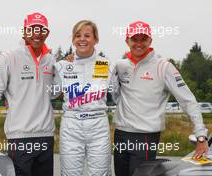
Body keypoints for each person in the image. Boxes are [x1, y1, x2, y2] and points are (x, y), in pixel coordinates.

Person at [111, 21, 209, 176]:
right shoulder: (120, 66)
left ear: (150, 40)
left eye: (143, 39)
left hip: (145, 137)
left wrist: (201, 136)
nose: (138, 43)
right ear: (127, 41)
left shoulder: (164, 67)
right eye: (134, 39)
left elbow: (188, 101)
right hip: (121, 135)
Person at [0, 12, 56, 176]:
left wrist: (70, 69)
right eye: (32, 29)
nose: (37, 34)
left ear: (47, 33)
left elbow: (56, 94)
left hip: (46, 136)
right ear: (24, 31)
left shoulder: (51, 60)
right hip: (19, 138)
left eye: (42, 29)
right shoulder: (7, 58)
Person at [52, 20, 112, 176]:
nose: (82, 39)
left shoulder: (106, 64)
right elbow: (51, 93)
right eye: (77, 35)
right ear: (73, 39)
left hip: (98, 125)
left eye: (87, 35)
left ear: (96, 39)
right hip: (71, 125)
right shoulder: (62, 66)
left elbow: (118, 93)